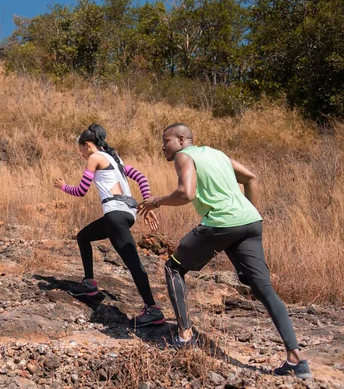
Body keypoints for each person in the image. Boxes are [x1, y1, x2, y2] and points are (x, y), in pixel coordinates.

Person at [138, 123, 312, 378]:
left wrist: (156, 201)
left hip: (220, 224)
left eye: (167, 141)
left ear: (182, 139)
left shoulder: (183, 156)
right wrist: (245, 215)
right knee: (265, 290)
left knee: (173, 267)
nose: (163, 146)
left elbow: (186, 193)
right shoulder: (217, 154)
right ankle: (296, 359)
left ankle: (185, 336)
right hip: (250, 222)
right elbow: (251, 178)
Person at [53, 124, 166, 327]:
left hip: (115, 214)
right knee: (83, 236)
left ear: (88, 145)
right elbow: (141, 178)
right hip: (127, 213)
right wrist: (147, 203)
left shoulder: (94, 158)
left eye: (81, 150)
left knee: (133, 263)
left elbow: (80, 191)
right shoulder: (116, 158)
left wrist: (62, 187)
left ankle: (153, 309)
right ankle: (89, 283)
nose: (81, 155)